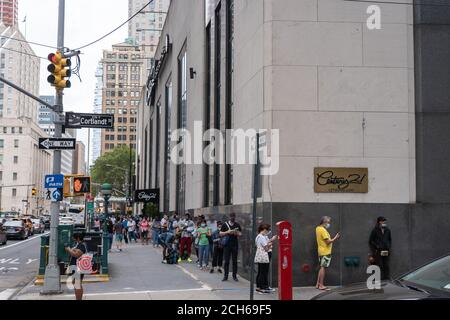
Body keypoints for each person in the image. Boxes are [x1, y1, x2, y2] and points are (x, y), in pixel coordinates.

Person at [315, 216, 340, 290]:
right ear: (324, 222)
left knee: (321, 267)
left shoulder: (317, 228)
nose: (329, 224)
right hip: (325, 251)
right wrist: (336, 237)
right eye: (328, 222)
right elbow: (328, 242)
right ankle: (321, 285)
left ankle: (317, 284)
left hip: (321, 251)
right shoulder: (323, 230)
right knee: (323, 267)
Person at [255, 224, 278, 294]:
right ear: (264, 229)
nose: (268, 231)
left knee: (261, 271)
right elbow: (266, 247)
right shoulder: (261, 237)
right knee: (263, 271)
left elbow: (265, 243)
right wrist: (272, 242)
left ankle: (261, 286)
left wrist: (270, 240)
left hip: (261, 255)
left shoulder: (260, 236)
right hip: (264, 255)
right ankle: (262, 287)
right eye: (268, 230)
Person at [64, 232, 87, 300]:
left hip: (78, 267)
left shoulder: (81, 245)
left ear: (78, 238)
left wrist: (68, 250)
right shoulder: (79, 244)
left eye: (74, 237)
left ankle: (78, 299)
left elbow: (76, 255)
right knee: (76, 283)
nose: (72, 239)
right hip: (76, 267)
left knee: (77, 284)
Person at [220, 213, 242, 282]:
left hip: (235, 245)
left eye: (233, 217)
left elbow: (240, 234)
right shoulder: (224, 224)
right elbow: (220, 234)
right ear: (229, 217)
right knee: (226, 261)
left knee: (235, 261)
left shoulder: (237, 225)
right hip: (227, 245)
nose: (232, 218)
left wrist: (236, 233)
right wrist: (228, 232)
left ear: (235, 217)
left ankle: (234, 276)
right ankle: (225, 276)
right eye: (231, 216)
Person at [369, 216, 392, 280]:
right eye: (383, 221)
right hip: (378, 251)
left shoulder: (387, 230)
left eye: (385, 221)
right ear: (379, 222)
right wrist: (377, 246)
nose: (384, 222)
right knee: (379, 265)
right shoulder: (375, 230)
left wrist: (388, 246)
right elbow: (371, 241)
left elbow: (390, 239)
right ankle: (379, 279)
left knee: (386, 265)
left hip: (386, 250)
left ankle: (387, 279)